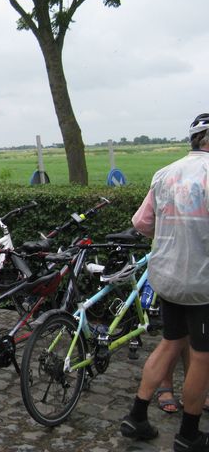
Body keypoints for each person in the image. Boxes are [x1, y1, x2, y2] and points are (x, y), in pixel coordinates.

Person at [120, 113, 209, 452]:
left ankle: (137, 416)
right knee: (201, 357)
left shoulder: (165, 173)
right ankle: (188, 434)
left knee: (171, 342)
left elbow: (142, 223)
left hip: (166, 277)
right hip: (202, 282)